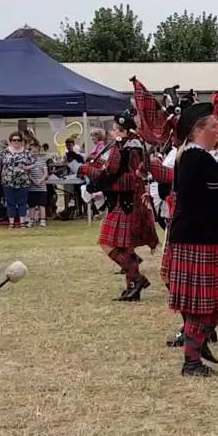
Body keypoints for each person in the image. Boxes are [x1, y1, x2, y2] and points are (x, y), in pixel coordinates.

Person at [162, 101, 218, 377]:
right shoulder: (196, 159)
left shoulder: (196, 158)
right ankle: (191, 361)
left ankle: (197, 345)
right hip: (199, 239)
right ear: (199, 130)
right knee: (202, 304)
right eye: (213, 125)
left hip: (202, 237)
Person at [79, 113, 158, 299]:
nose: (112, 132)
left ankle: (135, 276)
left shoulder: (121, 150)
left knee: (107, 243)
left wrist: (87, 172)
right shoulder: (135, 148)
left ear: (122, 131)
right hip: (131, 200)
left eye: (114, 129)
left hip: (123, 202)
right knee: (125, 246)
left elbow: (110, 175)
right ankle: (133, 283)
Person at [0, 132, 33, 229]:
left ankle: (22, 222)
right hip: (8, 181)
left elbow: (33, 164)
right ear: (10, 141)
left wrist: (26, 168)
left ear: (22, 141)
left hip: (23, 181)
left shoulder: (26, 152)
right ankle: (11, 222)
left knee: (22, 202)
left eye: (19, 140)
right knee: (10, 202)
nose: (16, 142)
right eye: (14, 140)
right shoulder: (5, 152)